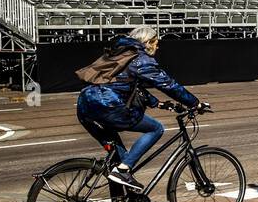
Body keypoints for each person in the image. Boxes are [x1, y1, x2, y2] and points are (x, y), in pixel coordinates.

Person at [75, 26, 204, 191]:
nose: (157, 47)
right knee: (155, 128)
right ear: (148, 42)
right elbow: (168, 85)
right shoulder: (140, 58)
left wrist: (156, 103)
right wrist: (194, 103)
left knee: (118, 160)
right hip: (108, 106)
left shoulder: (120, 54)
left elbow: (127, 85)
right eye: (156, 43)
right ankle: (123, 170)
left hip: (85, 106)